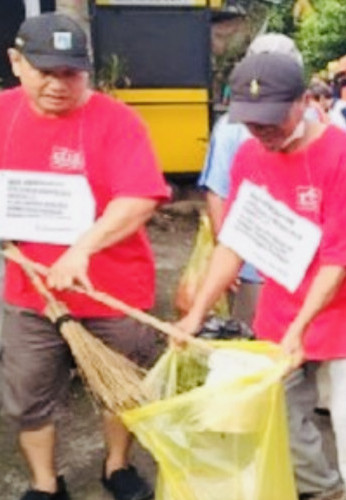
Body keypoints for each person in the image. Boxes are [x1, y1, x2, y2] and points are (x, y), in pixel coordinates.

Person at [176, 53, 346, 500]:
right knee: (277, 413)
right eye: (253, 123)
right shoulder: (248, 157)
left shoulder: (343, 157)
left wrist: (300, 329)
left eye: (272, 121)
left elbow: (340, 259)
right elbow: (236, 242)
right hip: (284, 302)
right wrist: (196, 311)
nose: (264, 133)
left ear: (304, 102)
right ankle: (322, 489)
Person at [0, 13, 170, 500]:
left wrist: (82, 250)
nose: (57, 84)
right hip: (30, 294)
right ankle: (45, 483)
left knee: (120, 387)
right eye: (44, 71)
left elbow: (139, 197)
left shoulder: (118, 122)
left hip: (114, 292)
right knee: (29, 396)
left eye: (70, 73)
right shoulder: (3, 114)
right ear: (17, 63)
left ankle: (116, 467)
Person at [196, 33, 304, 326]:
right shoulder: (232, 128)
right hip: (254, 269)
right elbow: (219, 194)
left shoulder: (315, 123)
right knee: (259, 349)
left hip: (306, 271)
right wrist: (228, 259)